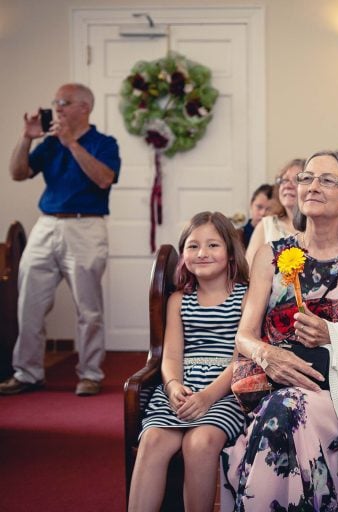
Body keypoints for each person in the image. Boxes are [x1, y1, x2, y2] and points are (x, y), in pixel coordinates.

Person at [221, 150, 338, 511]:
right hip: (273, 385)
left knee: (290, 408)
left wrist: (333, 335)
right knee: (286, 405)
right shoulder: (271, 254)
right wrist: (270, 355)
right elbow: (244, 335)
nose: (312, 186)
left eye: (326, 180)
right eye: (307, 178)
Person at [0, 83, 120, 397]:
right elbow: (16, 172)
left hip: (86, 227)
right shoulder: (49, 143)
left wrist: (71, 144)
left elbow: (104, 178)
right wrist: (27, 137)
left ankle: (90, 374)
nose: (57, 108)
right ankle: (27, 372)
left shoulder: (103, 143)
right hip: (46, 225)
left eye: (64, 102)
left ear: (85, 107)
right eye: (55, 102)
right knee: (28, 301)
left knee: (88, 307)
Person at [128, 211, 249, 512]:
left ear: (230, 254)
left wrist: (208, 397)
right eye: (193, 246)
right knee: (153, 440)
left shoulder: (245, 297)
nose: (202, 253)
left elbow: (243, 358)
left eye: (213, 245)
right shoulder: (179, 300)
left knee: (200, 443)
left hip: (227, 388)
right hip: (183, 384)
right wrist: (172, 387)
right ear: (183, 255)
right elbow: (170, 355)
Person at [244, 158, 305, 266]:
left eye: (296, 180)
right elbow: (248, 270)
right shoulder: (266, 225)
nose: (287, 185)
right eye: (284, 180)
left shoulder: (319, 227)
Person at [242, 183, 273, 248]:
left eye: (268, 209)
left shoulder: (277, 236)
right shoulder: (238, 236)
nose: (263, 213)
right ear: (251, 204)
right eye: (259, 207)